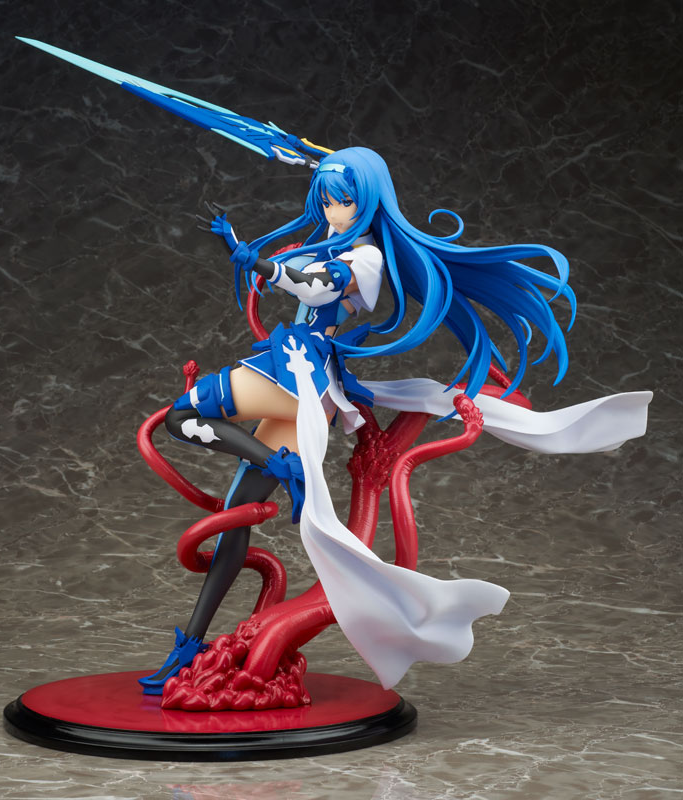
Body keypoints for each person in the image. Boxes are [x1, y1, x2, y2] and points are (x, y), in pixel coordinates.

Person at [138, 147, 651, 694]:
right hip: (301, 381)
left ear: (369, 201)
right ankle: (191, 643)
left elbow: (316, 285)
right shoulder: (332, 239)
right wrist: (246, 247)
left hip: (296, 376)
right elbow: (305, 268)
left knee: (181, 415)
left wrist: (260, 264)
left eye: (344, 201)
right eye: (326, 201)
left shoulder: (366, 258)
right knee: (235, 519)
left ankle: (280, 465)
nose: (334, 212)